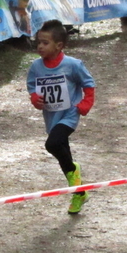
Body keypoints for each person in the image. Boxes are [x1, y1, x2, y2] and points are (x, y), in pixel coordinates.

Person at [27, 19, 96, 215]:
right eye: (38, 42)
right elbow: (32, 87)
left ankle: (75, 171)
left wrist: (85, 104)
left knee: (53, 144)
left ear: (59, 46)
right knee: (63, 154)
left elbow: (89, 83)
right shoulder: (35, 67)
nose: (40, 46)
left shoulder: (73, 65)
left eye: (45, 43)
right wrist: (35, 99)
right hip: (51, 116)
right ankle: (79, 192)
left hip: (70, 114)